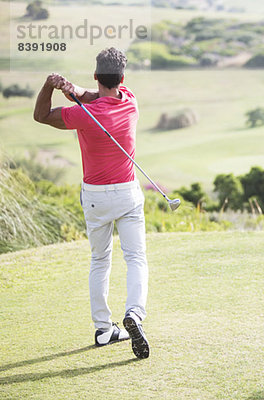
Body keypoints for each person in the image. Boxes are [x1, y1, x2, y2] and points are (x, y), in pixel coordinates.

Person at [33, 47, 150, 359]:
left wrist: (50, 86)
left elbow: (41, 115)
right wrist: (72, 89)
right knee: (135, 258)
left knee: (100, 261)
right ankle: (134, 316)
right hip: (127, 192)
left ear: (96, 75)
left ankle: (103, 328)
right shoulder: (130, 101)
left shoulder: (81, 115)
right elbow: (96, 96)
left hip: (95, 197)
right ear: (121, 78)